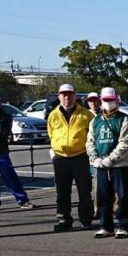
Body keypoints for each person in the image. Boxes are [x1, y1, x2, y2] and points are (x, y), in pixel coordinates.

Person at [86, 87, 128, 239]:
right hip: (100, 164)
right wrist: (95, 158)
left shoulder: (123, 119)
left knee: (122, 196)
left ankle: (123, 225)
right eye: (105, 100)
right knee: (102, 196)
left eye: (111, 100)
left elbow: (125, 143)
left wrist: (111, 158)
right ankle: (105, 226)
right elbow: (90, 141)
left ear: (117, 100)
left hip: (119, 164)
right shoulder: (95, 120)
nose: (108, 103)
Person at [47, 83, 95, 232]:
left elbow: (92, 136)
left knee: (84, 190)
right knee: (62, 191)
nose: (67, 97)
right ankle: (64, 219)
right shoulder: (53, 115)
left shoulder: (86, 114)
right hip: (61, 158)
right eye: (63, 94)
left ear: (75, 95)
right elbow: (51, 133)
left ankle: (86, 219)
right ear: (59, 96)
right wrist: (55, 150)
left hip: (80, 156)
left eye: (70, 94)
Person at [0, 92, 34, 210]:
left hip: (1, 152)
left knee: (10, 177)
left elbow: (3, 133)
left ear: (0, 103)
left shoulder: (6, 117)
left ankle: (22, 200)